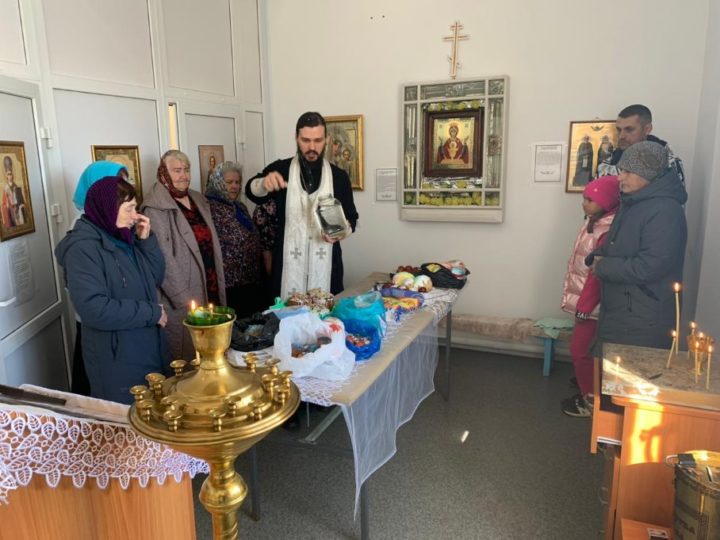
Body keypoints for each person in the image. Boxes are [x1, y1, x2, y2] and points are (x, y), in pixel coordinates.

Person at [55, 177, 169, 404]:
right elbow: (93, 309)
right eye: (129, 209)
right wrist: (152, 313)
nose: (135, 216)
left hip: (144, 347)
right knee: (125, 420)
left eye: (135, 208)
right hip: (116, 359)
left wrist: (146, 240)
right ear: (108, 208)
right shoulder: (82, 249)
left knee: (153, 415)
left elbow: (155, 277)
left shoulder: (123, 237)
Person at [245, 111, 359, 298]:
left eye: (318, 140)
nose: (312, 147)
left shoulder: (339, 177)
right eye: (305, 140)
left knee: (327, 315)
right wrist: (263, 183)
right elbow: (251, 191)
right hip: (286, 267)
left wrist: (341, 233)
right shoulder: (281, 169)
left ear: (326, 140)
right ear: (296, 138)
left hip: (328, 266)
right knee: (286, 314)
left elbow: (352, 218)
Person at [590, 141, 688, 350]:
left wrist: (603, 266)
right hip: (625, 309)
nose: (620, 177)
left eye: (628, 172)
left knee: (632, 370)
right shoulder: (634, 201)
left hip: (644, 316)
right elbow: (619, 244)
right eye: (621, 170)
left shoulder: (665, 210)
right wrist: (596, 254)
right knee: (610, 369)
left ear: (648, 174)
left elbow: (651, 266)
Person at [142, 150, 226, 360]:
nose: (184, 176)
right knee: (189, 353)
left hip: (210, 280)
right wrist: (183, 298)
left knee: (215, 347)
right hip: (183, 292)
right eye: (177, 171)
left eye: (186, 170)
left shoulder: (198, 198)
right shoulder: (155, 206)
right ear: (164, 173)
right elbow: (163, 257)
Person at [68, 161, 130, 396]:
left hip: (119, 316)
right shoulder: (82, 232)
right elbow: (92, 301)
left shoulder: (114, 221)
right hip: (99, 322)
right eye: (117, 183)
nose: (122, 188)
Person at [559, 176, 620, 417]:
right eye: (584, 198)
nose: (584, 203)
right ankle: (589, 389)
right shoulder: (593, 222)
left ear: (606, 202)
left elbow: (596, 275)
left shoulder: (607, 230)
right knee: (585, 350)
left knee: (580, 350)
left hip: (592, 304)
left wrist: (584, 306)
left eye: (590, 200)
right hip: (585, 300)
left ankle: (591, 401)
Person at [205, 161, 266, 317]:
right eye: (229, 182)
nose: (234, 186)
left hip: (250, 278)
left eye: (237, 182)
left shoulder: (240, 206)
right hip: (228, 282)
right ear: (218, 183)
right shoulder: (208, 207)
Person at [597, 104, 685, 183]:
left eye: (629, 129)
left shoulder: (668, 164)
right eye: (619, 130)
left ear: (647, 129)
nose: (621, 136)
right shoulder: (608, 162)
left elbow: (671, 195)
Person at [1, 156, 27, 228]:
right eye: (8, 174)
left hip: (18, 211)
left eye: (11, 174)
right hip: (11, 212)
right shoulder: (5, 189)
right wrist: (7, 206)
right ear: (6, 176)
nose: (10, 176)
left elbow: (21, 200)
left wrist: (21, 205)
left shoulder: (17, 187)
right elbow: (3, 204)